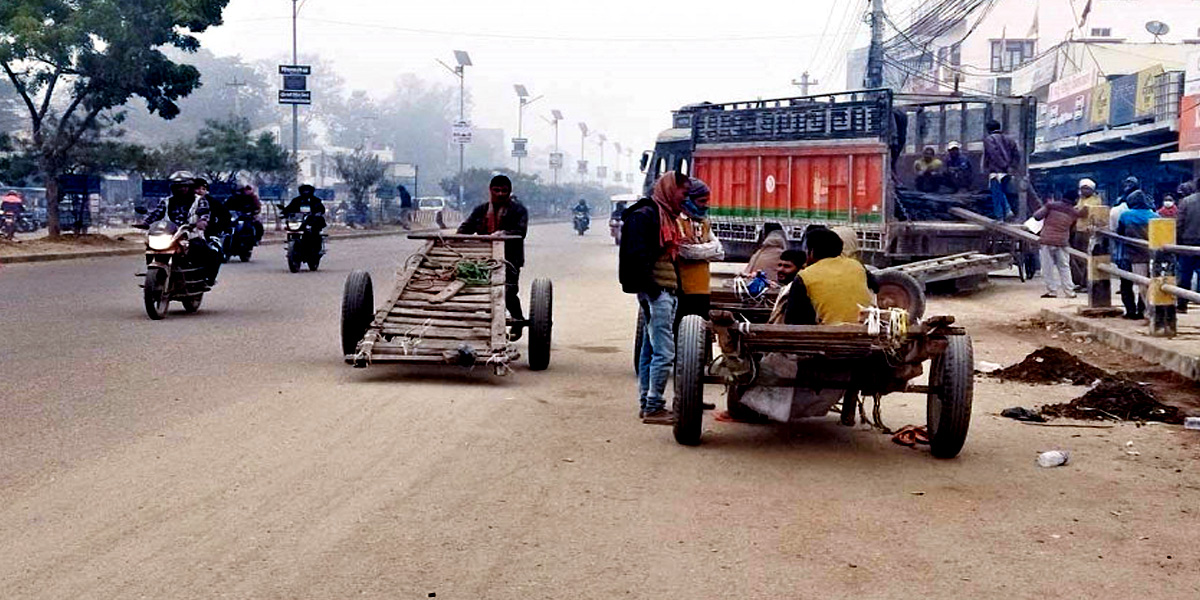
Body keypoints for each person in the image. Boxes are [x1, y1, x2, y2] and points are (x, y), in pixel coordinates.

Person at [619, 171, 689, 425]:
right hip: (657, 291)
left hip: (664, 290)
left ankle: (646, 403)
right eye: (684, 192)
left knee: (650, 350)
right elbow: (636, 256)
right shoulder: (646, 216)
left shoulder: (665, 215)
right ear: (671, 189)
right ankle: (654, 406)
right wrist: (653, 289)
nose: (686, 198)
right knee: (664, 351)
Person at [458, 175, 530, 339]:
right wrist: (457, 238)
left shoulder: (518, 210)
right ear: (490, 190)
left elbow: (521, 232)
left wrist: (503, 234)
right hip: (483, 259)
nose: (500, 194)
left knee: (508, 291)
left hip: (510, 259)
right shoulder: (480, 210)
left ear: (509, 192)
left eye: (504, 190)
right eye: (496, 190)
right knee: (477, 290)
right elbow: (466, 227)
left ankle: (517, 321)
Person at [785, 228, 875, 326]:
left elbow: (794, 320)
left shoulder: (805, 276)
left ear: (811, 251)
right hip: (865, 330)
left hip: (829, 335)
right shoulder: (857, 266)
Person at [142, 174, 220, 285]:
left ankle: (204, 278)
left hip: (191, 234)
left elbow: (204, 212)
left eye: (184, 186)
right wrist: (145, 222)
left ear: (190, 187)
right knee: (151, 246)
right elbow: (156, 214)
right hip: (170, 234)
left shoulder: (199, 200)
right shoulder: (166, 201)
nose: (181, 189)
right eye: (177, 186)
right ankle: (155, 275)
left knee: (210, 253)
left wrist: (202, 221)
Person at [674, 178, 724, 329]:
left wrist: (702, 249)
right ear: (688, 200)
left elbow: (720, 252)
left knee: (700, 335)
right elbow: (686, 252)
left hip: (702, 289)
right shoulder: (677, 221)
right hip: (683, 290)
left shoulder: (704, 222)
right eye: (702, 201)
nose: (705, 205)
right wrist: (709, 249)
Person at [1033, 191, 1083, 299]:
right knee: (1064, 267)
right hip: (1062, 241)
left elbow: (1036, 216)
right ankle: (1069, 292)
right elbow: (1073, 229)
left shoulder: (1051, 206)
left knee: (1048, 267)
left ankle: (1052, 291)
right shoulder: (1074, 212)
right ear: (1074, 200)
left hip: (1047, 239)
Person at [1117, 190, 1156, 320]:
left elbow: (1120, 233)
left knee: (1126, 284)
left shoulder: (1125, 215)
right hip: (1150, 255)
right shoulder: (1155, 216)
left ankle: (1130, 311)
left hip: (1130, 254)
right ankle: (1142, 310)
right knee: (1145, 285)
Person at [983, 119, 1021, 221]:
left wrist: (1002, 165)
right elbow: (1017, 155)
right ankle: (1007, 212)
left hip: (996, 171)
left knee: (997, 194)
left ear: (988, 129)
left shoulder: (989, 139)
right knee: (1004, 192)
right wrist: (1011, 167)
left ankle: (1001, 216)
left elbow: (993, 154)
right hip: (1007, 172)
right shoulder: (1010, 139)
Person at [1070, 178, 1103, 290]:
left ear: (1092, 190)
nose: (1084, 191)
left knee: (1086, 258)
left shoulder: (1095, 200)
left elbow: (1082, 213)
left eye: (1087, 188)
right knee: (1077, 258)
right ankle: (1080, 282)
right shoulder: (1081, 199)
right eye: (1082, 188)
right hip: (1078, 230)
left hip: (1088, 232)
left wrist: (1074, 211)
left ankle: (1086, 283)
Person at [1176, 180, 1200, 313]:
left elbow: (1179, 224)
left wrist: (1177, 244)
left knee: (1185, 275)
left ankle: (1182, 304)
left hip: (1188, 243)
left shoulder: (1186, 202)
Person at [767, 249, 806, 324]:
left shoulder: (797, 291)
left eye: (787, 266)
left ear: (801, 269)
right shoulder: (785, 288)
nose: (781, 269)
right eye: (779, 265)